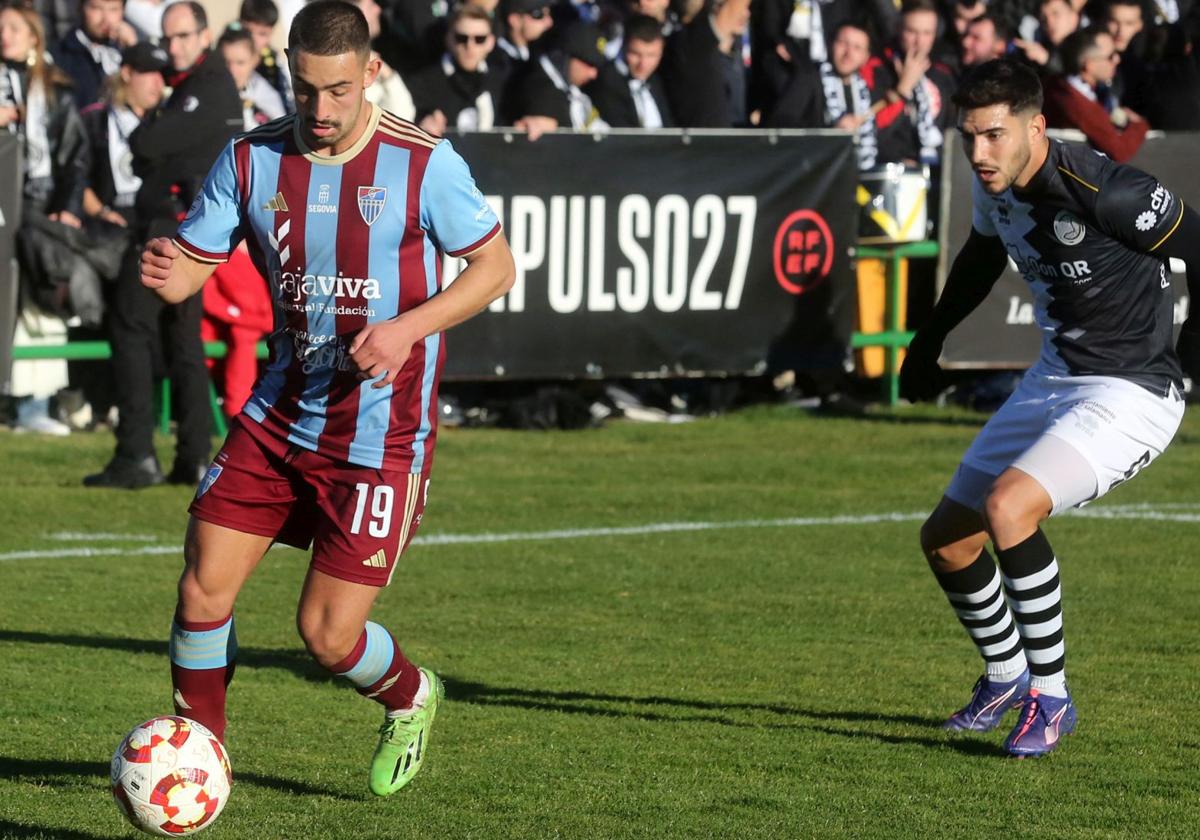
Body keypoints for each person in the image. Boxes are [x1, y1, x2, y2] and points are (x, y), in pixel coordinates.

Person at [139, 0, 514, 796]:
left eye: (339, 91)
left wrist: (408, 327)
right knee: (202, 584)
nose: (320, 110)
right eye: (305, 90)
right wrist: (174, 270)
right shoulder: (248, 160)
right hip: (280, 416)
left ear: (370, 72)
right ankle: (198, 760)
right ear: (288, 75)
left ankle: (412, 697)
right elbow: (195, 265)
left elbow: (496, 269)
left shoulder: (424, 163)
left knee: (326, 633)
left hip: (381, 435)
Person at [900, 57, 1200, 757]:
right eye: (969, 136)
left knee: (1009, 508)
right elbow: (979, 257)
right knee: (947, 541)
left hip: (1132, 393)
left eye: (994, 135)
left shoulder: (1107, 189)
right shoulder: (993, 183)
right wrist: (929, 340)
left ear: (1037, 127)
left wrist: (1192, 355)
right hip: (1054, 379)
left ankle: (1051, 697)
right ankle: (1005, 675)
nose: (979, 153)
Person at [84, 0, 243, 489]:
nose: (173, 48)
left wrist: (154, 138)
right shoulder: (193, 85)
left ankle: (137, 453)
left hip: (172, 229)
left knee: (132, 324)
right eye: (168, 38)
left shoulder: (208, 85)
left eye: (181, 38)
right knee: (183, 340)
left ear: (202, 36)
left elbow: (147, 146)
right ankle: (192, 457)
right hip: (186, 228)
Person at [1043, 26, 1148, 162]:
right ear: (1089, 65)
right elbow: (1119, 151)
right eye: (1110, 56)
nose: (1117, 59)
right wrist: (1139, 125)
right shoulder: (1077, 103)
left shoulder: (1056, 85)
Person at [409, 3, 506, 133]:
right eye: (461, 38)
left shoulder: (504, 81)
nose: (470, 46)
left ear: (491, 42)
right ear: (448, 38)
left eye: (479, 39)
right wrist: (422, 126)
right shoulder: (422, 83)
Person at [590, 13, 674, 128]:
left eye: (652, 55)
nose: (643, 64)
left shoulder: (655, 81)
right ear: (624, 47)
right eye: (635, 54)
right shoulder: (608, 82)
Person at [52, 0, 135, 109]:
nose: (106, 19)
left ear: (123, 11)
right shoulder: (60, 54)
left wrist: (134, 52)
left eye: (113, 9)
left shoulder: (129, 50)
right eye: (96, 8)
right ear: (81, 8)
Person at [218, 24, 286, 129]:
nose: (232, 70)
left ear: (254, 60)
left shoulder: (265, 95)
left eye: (240, 63)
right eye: (225, 62)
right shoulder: (206, 94)